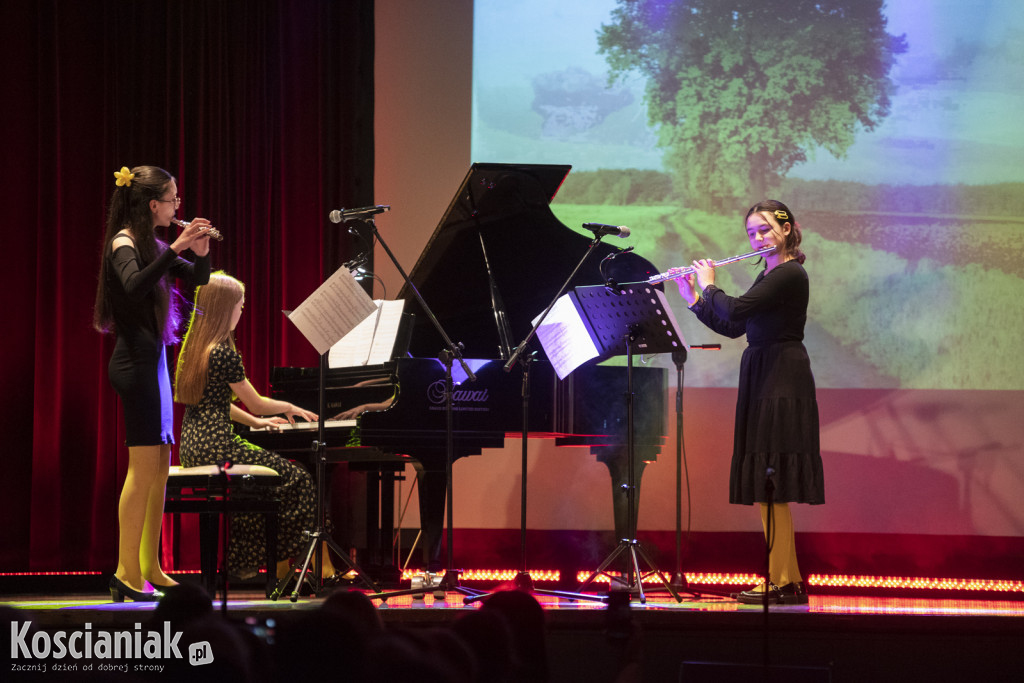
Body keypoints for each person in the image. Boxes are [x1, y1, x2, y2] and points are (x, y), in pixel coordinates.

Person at [670, 199, 823, 605]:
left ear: (787, 230)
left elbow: (735, 307)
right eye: (752, 232)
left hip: (781, 374)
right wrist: (693, 297)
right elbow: (733, 326)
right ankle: (786, 579)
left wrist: (709, 282)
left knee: (772, 484)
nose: (757, 238)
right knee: (766, 487)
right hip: (762, 369)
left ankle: (783, 580)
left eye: (765, 230)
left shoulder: (790, 273)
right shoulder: (768, 275)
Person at [93, 165, 213, 602]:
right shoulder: (124, 243)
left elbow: (198, 281)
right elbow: (133, 285)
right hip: (136, 365)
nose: (179, 205)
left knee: (160, 470)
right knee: (141, 472)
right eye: (173, 198)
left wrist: (198, 251)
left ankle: (151, 567)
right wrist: (177, 246)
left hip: (155, 363)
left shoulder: (154, 244)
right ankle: (125, 571)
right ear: (153, 204)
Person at [174, 271, 340, 582]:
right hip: (219, 446)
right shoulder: (224, 353)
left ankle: (272, 562)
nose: (242, 311)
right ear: (225, 309)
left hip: (193, 447)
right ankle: (299, 560)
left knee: (263, 488)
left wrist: (256, 423)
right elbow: (258, 402)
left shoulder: (194, 349)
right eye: (239, 305)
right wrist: (291, 407)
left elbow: (216, 403)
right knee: (299, 478)